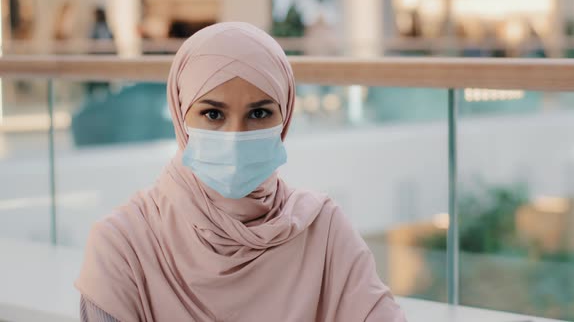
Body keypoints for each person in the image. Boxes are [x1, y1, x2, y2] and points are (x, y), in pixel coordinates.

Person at [75, 22, 406, 322]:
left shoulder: (323, 230)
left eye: (259, 113)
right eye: (213, 114)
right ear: (181, 116)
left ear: (285, 117)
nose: (235, 137)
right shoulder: (123, 246)